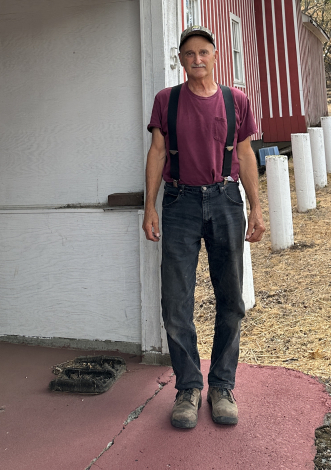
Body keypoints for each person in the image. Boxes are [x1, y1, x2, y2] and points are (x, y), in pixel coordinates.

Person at [142, 24, 265, 429]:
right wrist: (150, 207)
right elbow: (158, 153)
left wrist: (258, 209)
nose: (197, 59)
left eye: (204, 52)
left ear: (215, 57)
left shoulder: (236, 101)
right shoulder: (168, 101)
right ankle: (188, 388)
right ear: (181, 59)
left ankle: (222, 386)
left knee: (230, 298)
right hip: (179, 202)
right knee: (175, 300)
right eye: (189, 53)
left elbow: (246, 156)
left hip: (226, 201)